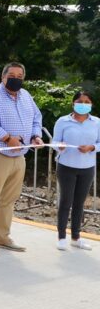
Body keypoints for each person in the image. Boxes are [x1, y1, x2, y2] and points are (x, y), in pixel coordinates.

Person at [0, 62, 44, 254]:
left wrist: (35, 135)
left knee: (9, 199)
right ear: (3, 76)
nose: (16, 79)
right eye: (12, 75)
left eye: (20, 76)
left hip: (19, 156)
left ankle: (2, 237)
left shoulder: (26, 96)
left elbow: (36, 117)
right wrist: (7, 138)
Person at [53, 91, 99, 251]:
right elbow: (54, 141)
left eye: (87, 101)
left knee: (79, 203)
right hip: (66, 167)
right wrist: (59, 146)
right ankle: (61, 237)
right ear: (73, 104)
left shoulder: (97, 122)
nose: (83, 104)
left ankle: (76, 237)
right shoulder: (62, 121)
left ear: (91, 104)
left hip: (87, 169)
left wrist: (92, 147)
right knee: (66, 202)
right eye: (80, 101)